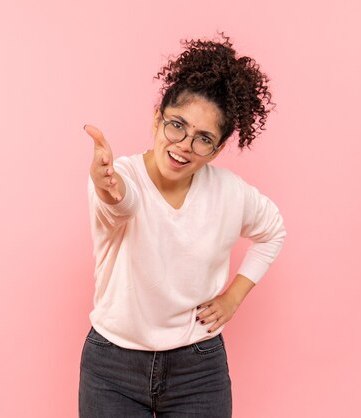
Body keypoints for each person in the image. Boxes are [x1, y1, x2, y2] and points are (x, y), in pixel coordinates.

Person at [79, 34, 286, 418]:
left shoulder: (229, 192)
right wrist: (107, 187)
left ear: (219, 148)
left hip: (198, 369)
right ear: (157, 118)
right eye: (177, 125)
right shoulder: (121, 175)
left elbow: (272, 230)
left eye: (203, 138)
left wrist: (233, 296)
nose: (184, 145)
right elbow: (122, 204)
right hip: (112, 367)